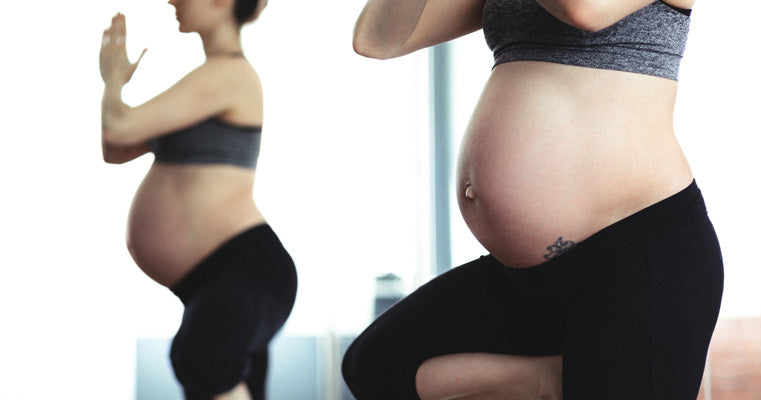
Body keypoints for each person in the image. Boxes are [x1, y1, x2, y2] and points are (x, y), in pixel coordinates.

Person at [342, 0, 723, 399]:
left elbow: (584, 10)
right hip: (532, 277)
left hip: (634, 257)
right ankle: (549, 381)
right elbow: (377, 39)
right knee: (378, 365)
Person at [99, 1, 296, 399]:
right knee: (205, 368)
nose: (172, 0)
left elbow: (119, 126)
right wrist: (115, 87)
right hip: (216, 278)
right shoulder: (211, 78)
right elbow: (115, 149)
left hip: (245, 270)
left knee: (201, 359)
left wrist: (113, 81)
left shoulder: (230, 74)